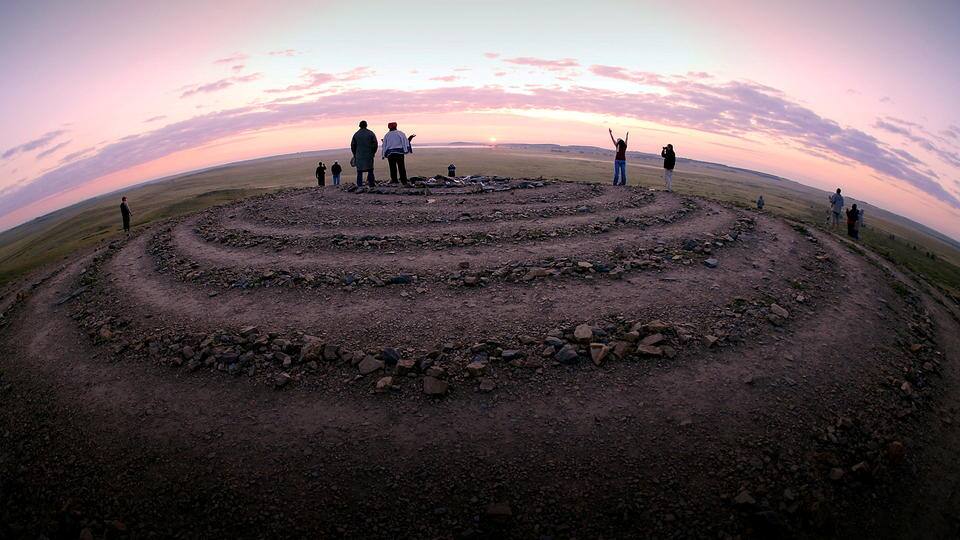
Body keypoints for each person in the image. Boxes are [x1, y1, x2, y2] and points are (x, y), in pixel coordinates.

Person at [351, 120, 378, 187]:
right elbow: (375, 144)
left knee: (359, 171)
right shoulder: (371, 133)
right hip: (369, 155)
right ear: (366, 125)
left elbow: (353, 146)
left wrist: (355, 154)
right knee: (370, 170)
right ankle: (371, 184)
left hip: (359, 156)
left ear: (359, 126)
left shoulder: (356, 134)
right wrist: (373, 153)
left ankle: (359, 185)